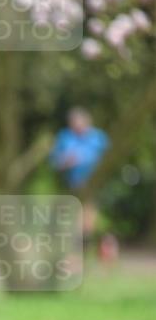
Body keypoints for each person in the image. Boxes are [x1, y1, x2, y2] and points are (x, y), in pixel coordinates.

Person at [49, 107, 110, 250]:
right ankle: (75, 247)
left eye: (80, 124)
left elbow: (108, 159)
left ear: (88, 122)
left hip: (92, 184)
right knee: (71, 217)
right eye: (73, 124)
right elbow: (54, 161)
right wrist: (65, 161)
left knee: (87, 216)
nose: (77, 127)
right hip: (69, 184)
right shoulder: (64, 137)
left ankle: (84, 243)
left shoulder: (99, 138)